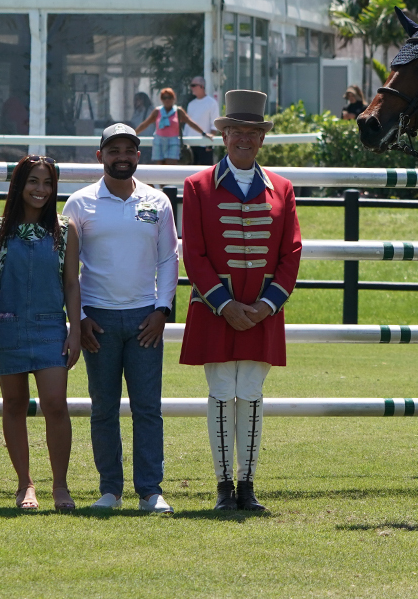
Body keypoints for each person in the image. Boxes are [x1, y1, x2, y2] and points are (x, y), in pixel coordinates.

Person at [179, 90, 302, 512]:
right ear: (224, 135)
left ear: (262, 139)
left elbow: (292, 253)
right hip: (217, 310)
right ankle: (221, 487)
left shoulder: (282, 188)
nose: (244, 139)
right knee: (219, 392)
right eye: (236, 131)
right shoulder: (196, 186)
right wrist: (224, 304)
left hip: (262, 311)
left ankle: (247, 486)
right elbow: (192, 253)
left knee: (250, 392)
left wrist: (266, 305)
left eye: (252, 132)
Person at [62, 123, 179, 513]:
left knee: (148, 407)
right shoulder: (79, 203)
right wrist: (78, 318)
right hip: (98, 321)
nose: (122, 157)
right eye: (113, 151)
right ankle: (109, 489)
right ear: (100, 157)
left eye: (129, 150)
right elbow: (68, 267)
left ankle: (150, 491)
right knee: (104, 407)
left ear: (138, 156)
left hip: (147, 318)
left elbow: (168, 258)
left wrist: (162, 310)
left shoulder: (157, 202)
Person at [0, 154, 80, 511]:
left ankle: (61, 487)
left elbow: (71, 284)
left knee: (55, 403)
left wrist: (75, 330)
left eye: (47, 183)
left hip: (51, 327)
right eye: (33, 181)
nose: (40, 189)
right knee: (14, 404)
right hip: (5, 325)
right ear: (19, 185)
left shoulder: (66, 229)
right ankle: (25, 485)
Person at [136, 87, 209, 166]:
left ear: (174, 98)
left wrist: (204, 133)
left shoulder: (178, 111)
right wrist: (133, 133)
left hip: (173, 141)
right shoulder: (157, 111)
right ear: (161, 99)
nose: (167, 100)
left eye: (169, 97)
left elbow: (190, 123)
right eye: (164, 98)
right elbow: (145, 124)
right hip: (159, 141)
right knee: (159, 168)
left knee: (171, 166)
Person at [183, 76, 220, 166]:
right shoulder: (191, 104)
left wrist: (210, 144)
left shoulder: (212, 103)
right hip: (190, 145)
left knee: (204, 175)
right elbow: (188, 124)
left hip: (204, 146)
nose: (191, 88)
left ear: (202, 86)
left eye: (194, 85)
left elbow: (214, 125)